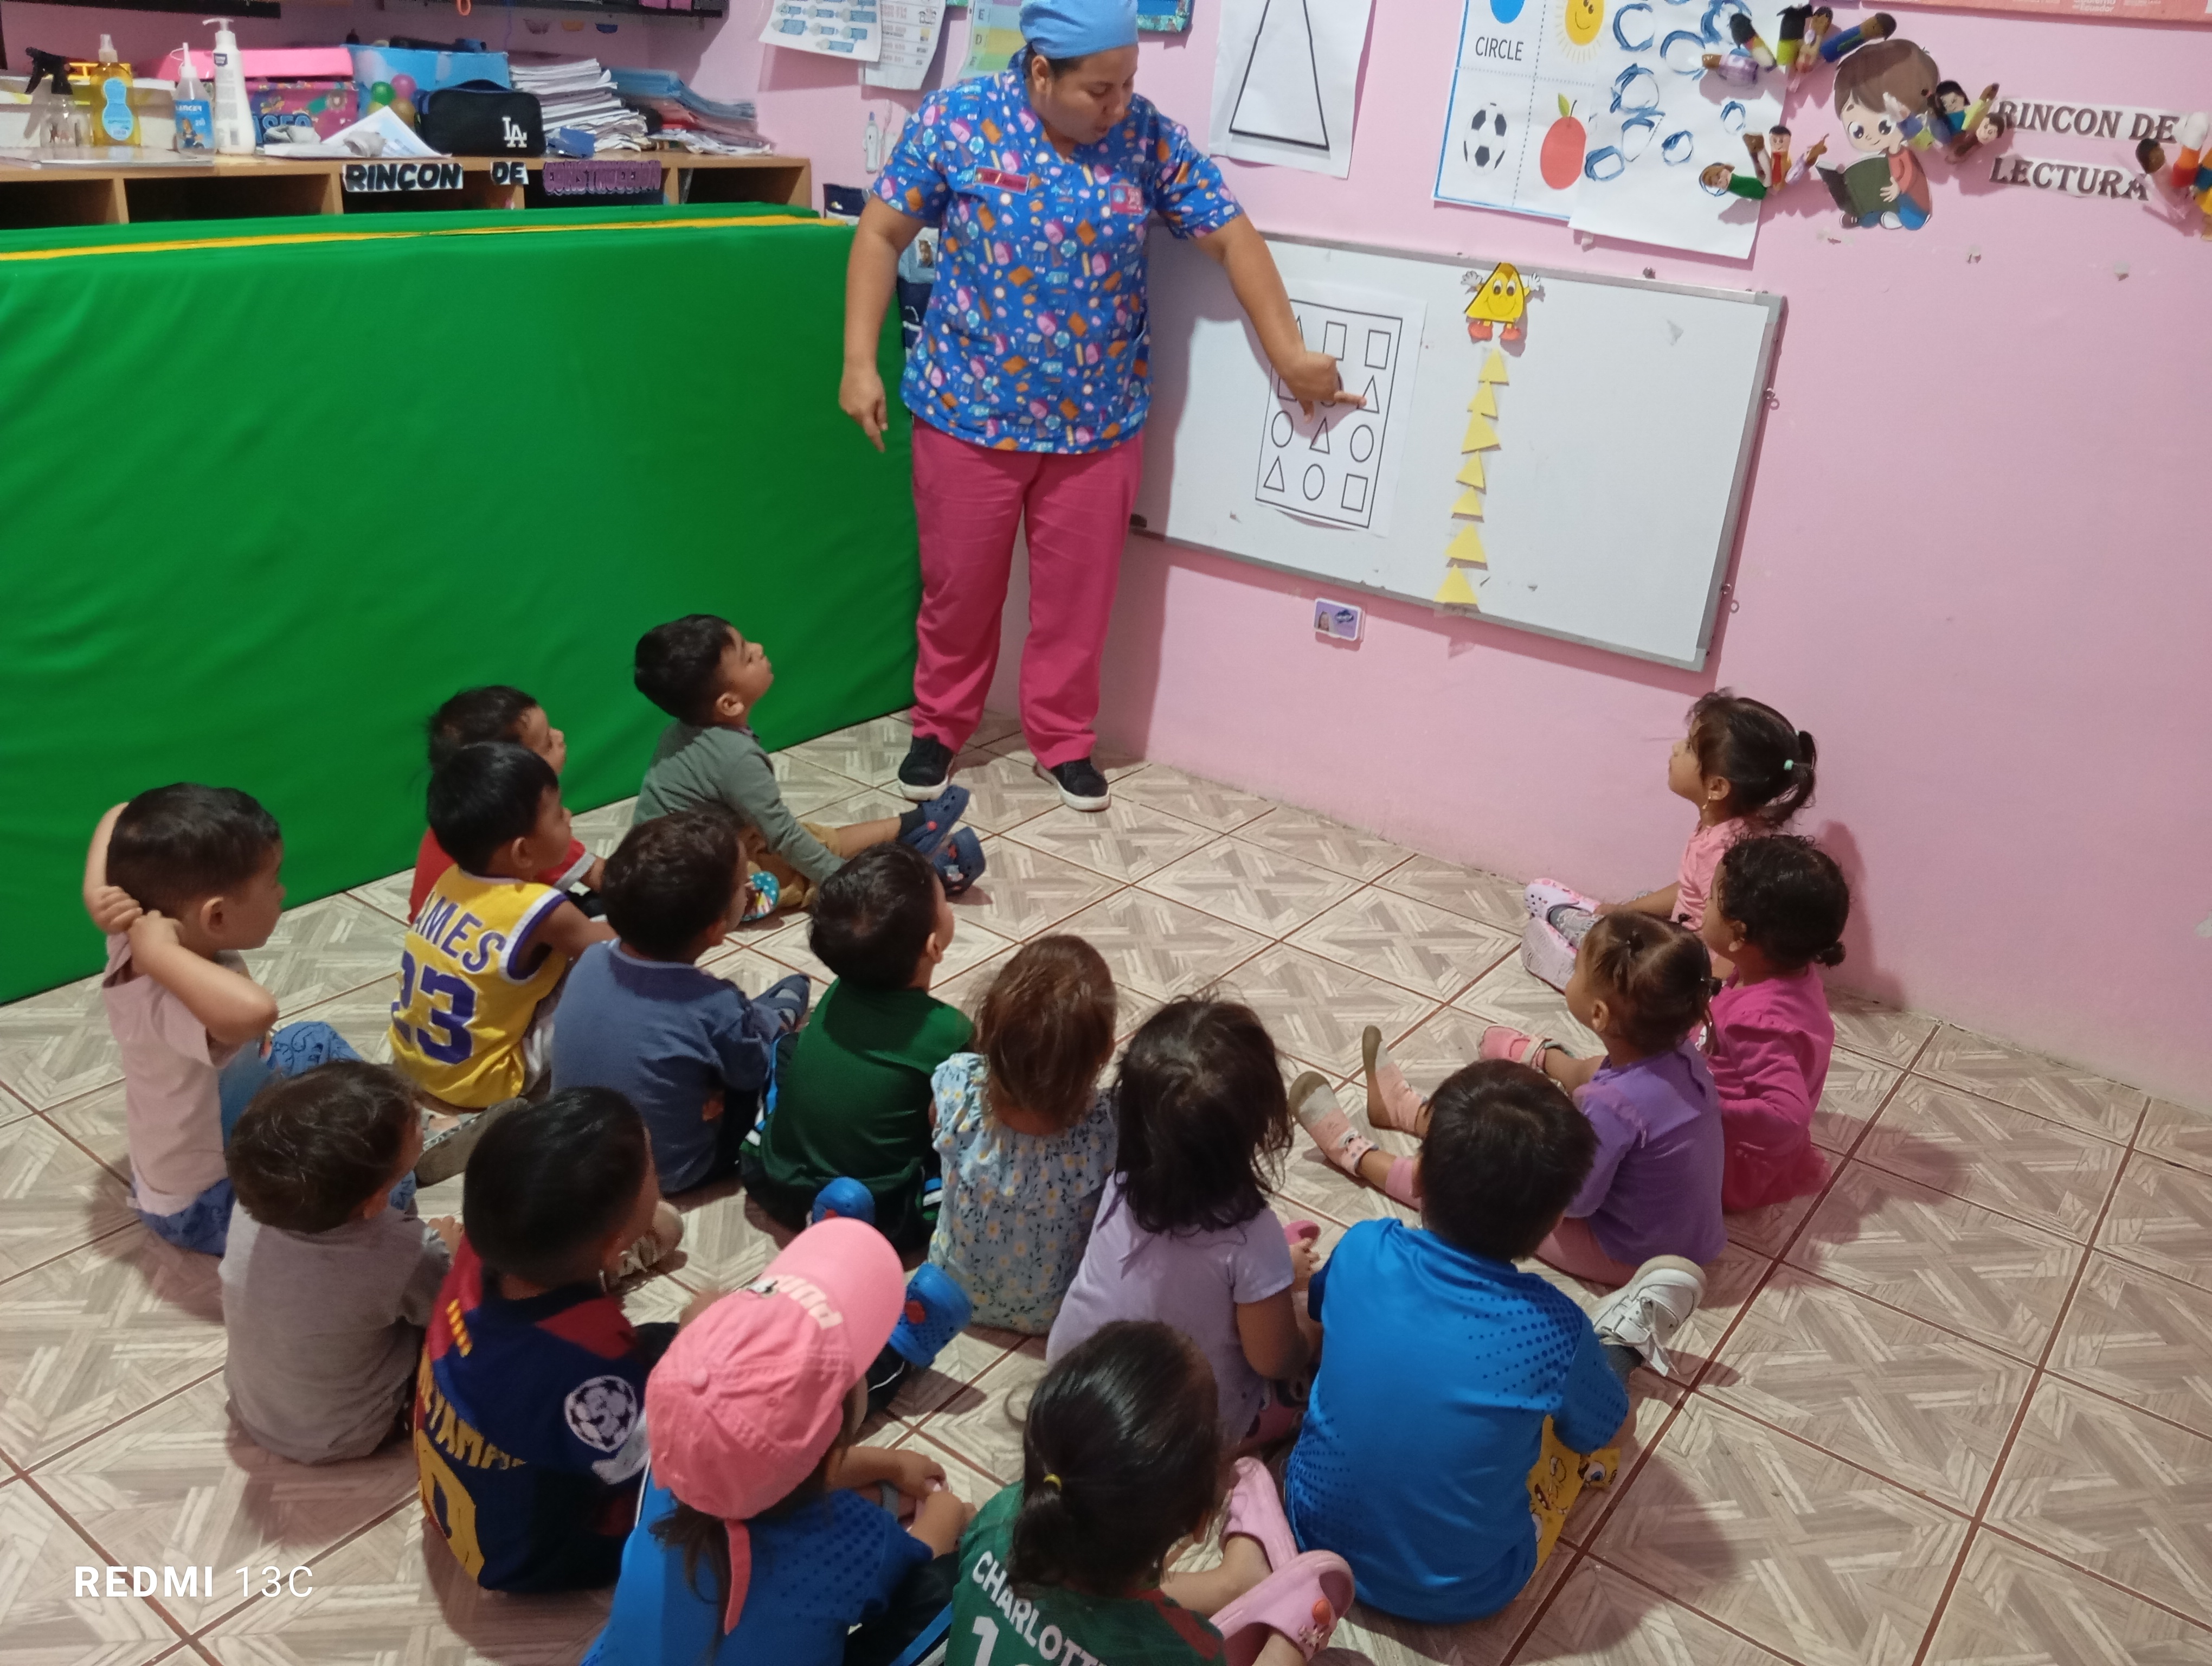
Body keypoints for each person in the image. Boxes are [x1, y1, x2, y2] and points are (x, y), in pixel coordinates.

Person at [840, 0, 1359, 816]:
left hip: (1097, 422)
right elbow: (879, 235)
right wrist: (858, 362)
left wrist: (1288, 352)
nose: (1118, 105)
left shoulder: (1144, 138)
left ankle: (1063, 741)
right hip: (967, 411)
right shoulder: (958, 121)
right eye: (1100, 90)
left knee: (1078, 603)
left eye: (1128, 84)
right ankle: (939, 727)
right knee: (958, 593)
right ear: (1041, 72)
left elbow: (1232, 236)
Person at [1284, 1062, 1693, 1624]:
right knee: (1573, 1437)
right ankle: (1621, 1350)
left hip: (1311, 1534)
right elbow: (1614, 1432)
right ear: (1554, 1219)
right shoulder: (1553, 1328)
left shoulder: (1363, 1246)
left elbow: (1322, 1314)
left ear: (1418, 1177)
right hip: (1466, 1589)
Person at [583, 1219, 976, 1666]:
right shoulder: (851, 1538)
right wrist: (949, 1514)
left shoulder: (670, 1466)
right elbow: (918, 1561)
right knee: (940, 1589)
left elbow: (772, 1466)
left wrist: (889, 1465)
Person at [950, 1320, 1351, 1666]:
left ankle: (1232, 1584)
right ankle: (1282, 1636)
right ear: (1200, 1522)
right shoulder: (1180, 1651)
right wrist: (1288, 1651)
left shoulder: (999, 1518)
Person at [415, 1088, 689, 1593]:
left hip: (477, 1486)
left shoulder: (485, 1246)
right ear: (614, 1245)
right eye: (652, 1167)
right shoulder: (589, 1362)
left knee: (658, 1342)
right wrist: (705, 1350)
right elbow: (641, 1464)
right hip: (535, 1557)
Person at [82, 787, 364, 1256]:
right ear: (216, 916)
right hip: (207, 1199)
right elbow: (258, 1012)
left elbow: (119, 812)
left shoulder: (138, 926)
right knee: (357, 1200)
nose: (282, 892)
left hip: (250, 1108)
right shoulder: (168, 996)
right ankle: (401, 1168)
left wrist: (98, 894)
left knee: (314, 1039)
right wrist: (161, 954)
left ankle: (400, 1128)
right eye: (273, 881)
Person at [1047, 999, 1314, 1441]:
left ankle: (1271, 1281)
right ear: (1257, 1127)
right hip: (1164, 1445)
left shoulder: (1121, 1184)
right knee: (1313, 1342)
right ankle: (1277, 1287)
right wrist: (1308, 1331)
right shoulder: (1250, 1237)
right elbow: (1272, 1359)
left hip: (1068, 1392)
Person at [632, 613, 981, 912]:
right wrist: (841, 881)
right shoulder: (735, 759)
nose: (759, 648)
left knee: (809, 838)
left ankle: (913, 826)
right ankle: (925, 887)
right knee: (795, 874)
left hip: (680, 853)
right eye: (747, 657)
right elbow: (783, 837)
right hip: (696, 881)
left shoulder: (681, 730)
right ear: (729, 704)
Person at [552, 809, 811, 1194]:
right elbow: (752, 1073)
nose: (749, 888)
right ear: (716, 929)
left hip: (577, 1156)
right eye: (743, 884)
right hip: (672, 1172)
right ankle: (778, 1018)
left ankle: (765, 1017)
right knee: (785, 1045)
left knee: (726, 1025)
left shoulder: (589, 960)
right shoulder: (715, 1003)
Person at [221, 1060, 455, 1464]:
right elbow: (451, 1309)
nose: (419, 1116)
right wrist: (449, 1248)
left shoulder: (252, 1207)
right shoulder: (405, 1251)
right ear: (374, 1203)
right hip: (351, 1434)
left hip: (254, 1409)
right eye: (417, 1123)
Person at [743, 843, 974, 1252]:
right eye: (945, 902)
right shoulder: (951, 1031)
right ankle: (845, 1218)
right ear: (934, 947)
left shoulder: (836, 993)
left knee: (790, 1048)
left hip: (775, 1183)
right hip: (882, 1210)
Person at [1476, 913, 1726, 1287]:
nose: (1572, 977)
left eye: (1576, 971)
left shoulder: (1610, 1105)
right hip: (1698, 1241)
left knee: (1488, 1204)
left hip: (1633, 1258)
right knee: (1597, 1071)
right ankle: (1548, 1059)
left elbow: (1577, 1203)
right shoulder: (1683, 1051)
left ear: (1598, 1014)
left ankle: (1393, 1146)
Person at [1522, 689, 1818, 986]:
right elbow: (1689, 888)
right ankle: (1593, 926)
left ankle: (1572, 954)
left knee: (1610, 944)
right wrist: (1625, 910)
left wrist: (1703, 993)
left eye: (1689, 747)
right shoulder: (1726, 829)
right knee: (1641, 901)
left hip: (1685, 967)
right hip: (1683, 936)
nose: (1676, 748)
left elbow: (1736, 943)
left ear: (1717, 787)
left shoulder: (1725, 850)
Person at [390, 743, 615, 1111]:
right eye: (558, 814)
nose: (569, 816)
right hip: (486, 1083)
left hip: (413, 1063)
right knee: (608, 960)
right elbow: (612, 944)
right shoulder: (539, 908)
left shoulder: (450, 880)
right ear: (523, 852)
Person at [929, 935, 1120, 1332]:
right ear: (1105, 1052)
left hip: (949, 1289)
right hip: (1053, 1311)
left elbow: (934, 1119)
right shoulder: (1107, 1128)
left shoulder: (958, 1086)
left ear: (987, 1032)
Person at [1701, 835, 1851, 1212]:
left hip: (1722, 1163)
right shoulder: (1791, 974)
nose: (1704, 904)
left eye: (1711, 899)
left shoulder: (1755, 1023)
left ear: (1739, 934)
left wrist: (1700, 1104)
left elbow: (1787, 1115)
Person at [407, 685, 601, 922]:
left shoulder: (448, 828)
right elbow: (603, 877)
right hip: (505, 937)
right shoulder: (532, 836)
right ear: (509, 775)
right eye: (547, 744)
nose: (559, 736)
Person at [1830, 39, 1939, 229]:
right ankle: (1863, 215)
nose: (1869, 137)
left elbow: (1910, 174)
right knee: (1872, 205)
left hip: (1913, 205)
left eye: (1885, 126)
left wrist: (1899, 186)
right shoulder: (1882, 156)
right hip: (1887, 198)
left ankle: (1893, 215)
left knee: (1902, 210)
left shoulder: (1902, 152)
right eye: (1857, 130)